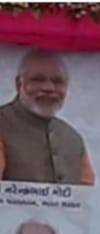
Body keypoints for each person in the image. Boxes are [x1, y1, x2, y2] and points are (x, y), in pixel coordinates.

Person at [0, 50, 94, 185]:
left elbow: (87, 193)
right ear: (19, 84)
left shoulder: (72, 138)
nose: (49, 88)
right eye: (38, 80)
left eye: (57, 81)